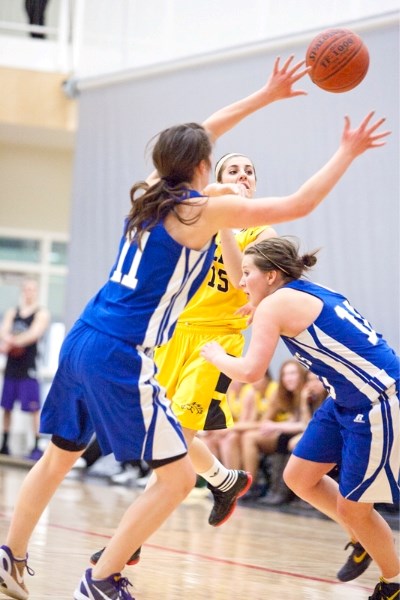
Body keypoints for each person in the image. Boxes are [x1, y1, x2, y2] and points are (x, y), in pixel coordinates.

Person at [0, 85, 389, 600]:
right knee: (178, 479)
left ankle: (12, 554)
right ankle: (101, 579)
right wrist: (347, 150)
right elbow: (302, 202)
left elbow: (204, 130)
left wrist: (268, 95)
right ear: (205, 166)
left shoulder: (150, 190)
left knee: (59, 456)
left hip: (84, 335)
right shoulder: (195, 212)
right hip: (122, 350)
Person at [201, 236, 399, 600]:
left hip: (378, 401)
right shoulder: (304, 290)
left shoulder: (274, 307)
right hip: (344, 397)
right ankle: (361, 537)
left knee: (354, 508)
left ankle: (393, 584)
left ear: (273, 276)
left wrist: (213, 354)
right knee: (299, 477)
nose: (241, 282)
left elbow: (249, 370)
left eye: (247, 274)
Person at [232, 358, 307, 501]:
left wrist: (232, 427)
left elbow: (305, 423)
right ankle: (238, 484)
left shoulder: (298, 392)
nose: (288, 378)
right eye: (285, 375)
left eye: (292, 374)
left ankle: (250, 484)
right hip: (280, 432)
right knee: (236, 437)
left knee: (246, 437)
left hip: (287, 433)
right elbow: (261, 421)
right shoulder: (281, 394)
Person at [0, 277, 50, 461]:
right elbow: (4, 330)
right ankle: (4, 443)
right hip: (12, 367)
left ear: (36, 292)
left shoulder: (41, 313)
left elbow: (33, 334)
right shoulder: (13, 312)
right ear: (23, 291)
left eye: (32, 289)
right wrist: (7, 340)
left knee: (33, 408)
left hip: (29, 367)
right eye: (26, 289)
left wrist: (11, 342)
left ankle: (36, 446)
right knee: (6, 406)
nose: (29, 292)